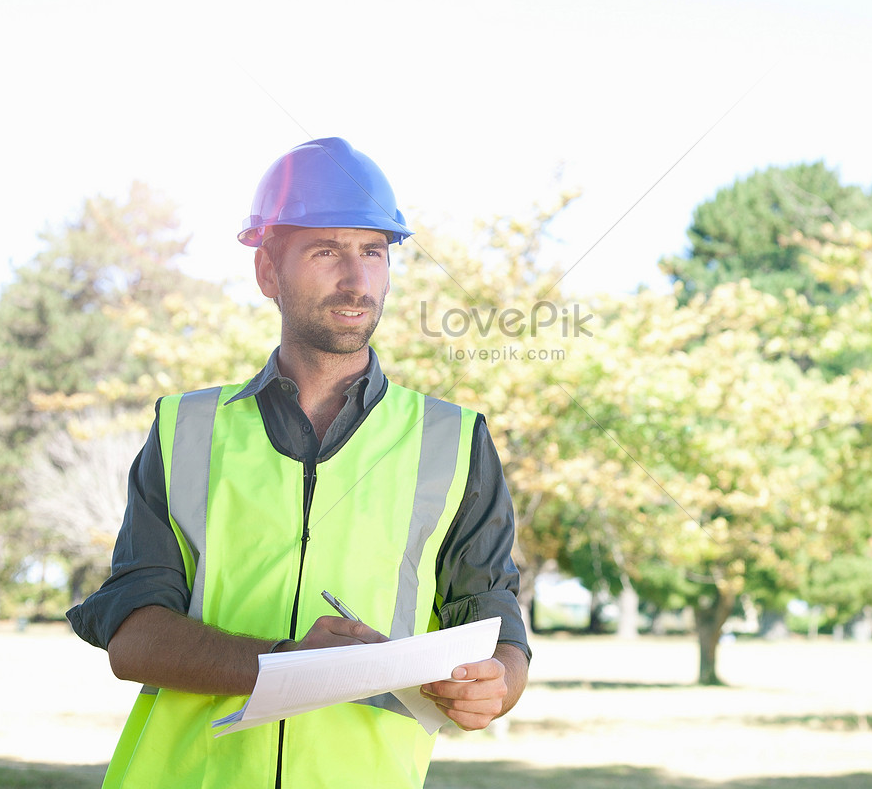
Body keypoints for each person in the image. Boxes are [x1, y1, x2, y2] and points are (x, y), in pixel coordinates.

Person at [67, 137, 530, 789]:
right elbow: (133, 637)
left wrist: (499, 683)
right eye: (325, 252)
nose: (356, 278)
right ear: (267, 273)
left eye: (373, 252)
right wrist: (289, 663)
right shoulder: (185, 429)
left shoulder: (455, 440)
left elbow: (492, 617)